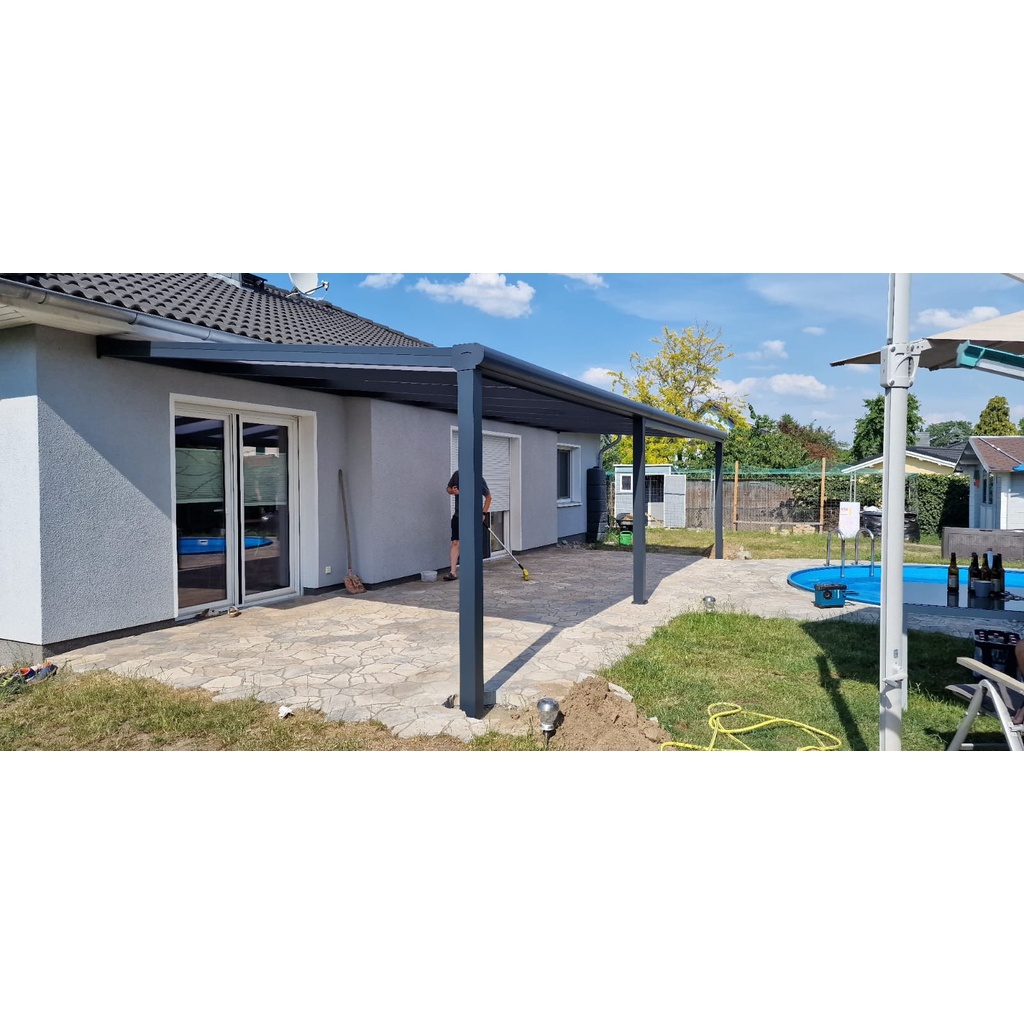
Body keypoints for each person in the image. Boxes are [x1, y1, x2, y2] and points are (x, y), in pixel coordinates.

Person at [445, 469, 491, 581]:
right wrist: (453, 491)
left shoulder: (478, 478)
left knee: (471, 544)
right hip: (458, 516)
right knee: (455, 542)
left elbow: (488, 497)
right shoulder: (457, 474)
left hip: (472, 518)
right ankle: (453, 572)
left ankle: (472, 570)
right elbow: (448, 489)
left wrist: (483, 513)